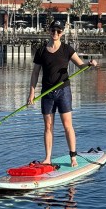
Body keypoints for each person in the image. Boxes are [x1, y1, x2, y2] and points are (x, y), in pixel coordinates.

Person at [28, 20, 97, 167]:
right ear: (49, 31)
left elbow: (80, 65)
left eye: (58, 31)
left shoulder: (67, 49)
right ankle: (47, 158)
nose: (55, 33)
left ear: (62, 33)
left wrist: (89, 64)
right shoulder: (41, 51)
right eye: (53, 30)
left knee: (67, 125)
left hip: (63, 92)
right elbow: (35, 74)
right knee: (48, 126)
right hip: (46, 93)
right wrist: (31, 93)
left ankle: (73, 157)